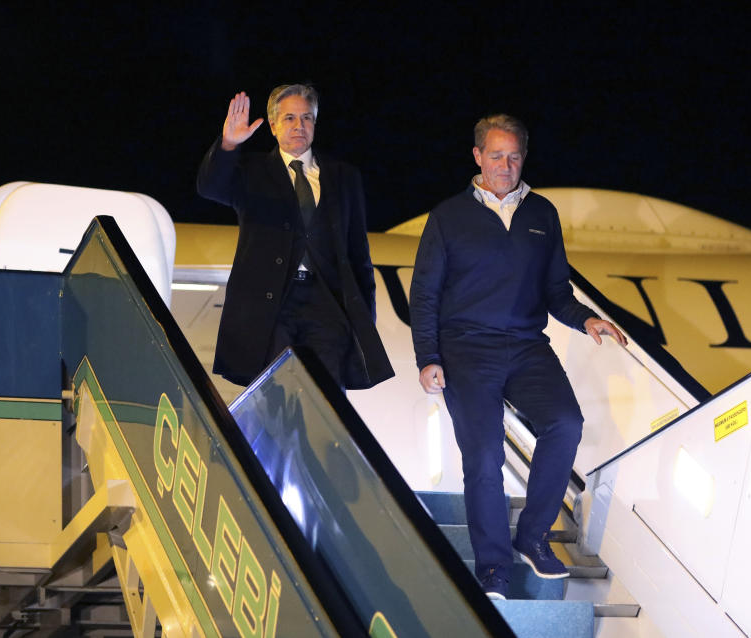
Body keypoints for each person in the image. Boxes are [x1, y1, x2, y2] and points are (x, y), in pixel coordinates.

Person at [409, 114, 627, 600]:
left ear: (523, 158)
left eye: (514, 156)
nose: (505, 166)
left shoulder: (542, 214)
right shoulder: (448, 217)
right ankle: (493, 568)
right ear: (477, 157)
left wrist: (586, 319)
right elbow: (424, 293)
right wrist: (428, 356)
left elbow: (556, 290)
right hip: (465, 349)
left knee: (566, 424)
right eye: (495, 155)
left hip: (527, 347)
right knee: (484, 454)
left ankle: (532, 536)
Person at [198, 84, 392, 390]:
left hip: (327, 304)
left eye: (306, 118)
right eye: (289, 118)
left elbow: (358, 253)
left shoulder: (344, 177)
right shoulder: (252, 171)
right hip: (272, 304)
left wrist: (363, 314)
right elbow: (211, 187)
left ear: (315, 123)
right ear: (273, 126)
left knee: (329, 401)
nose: (298, 126)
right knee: (274, 397)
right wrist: (228, 145)